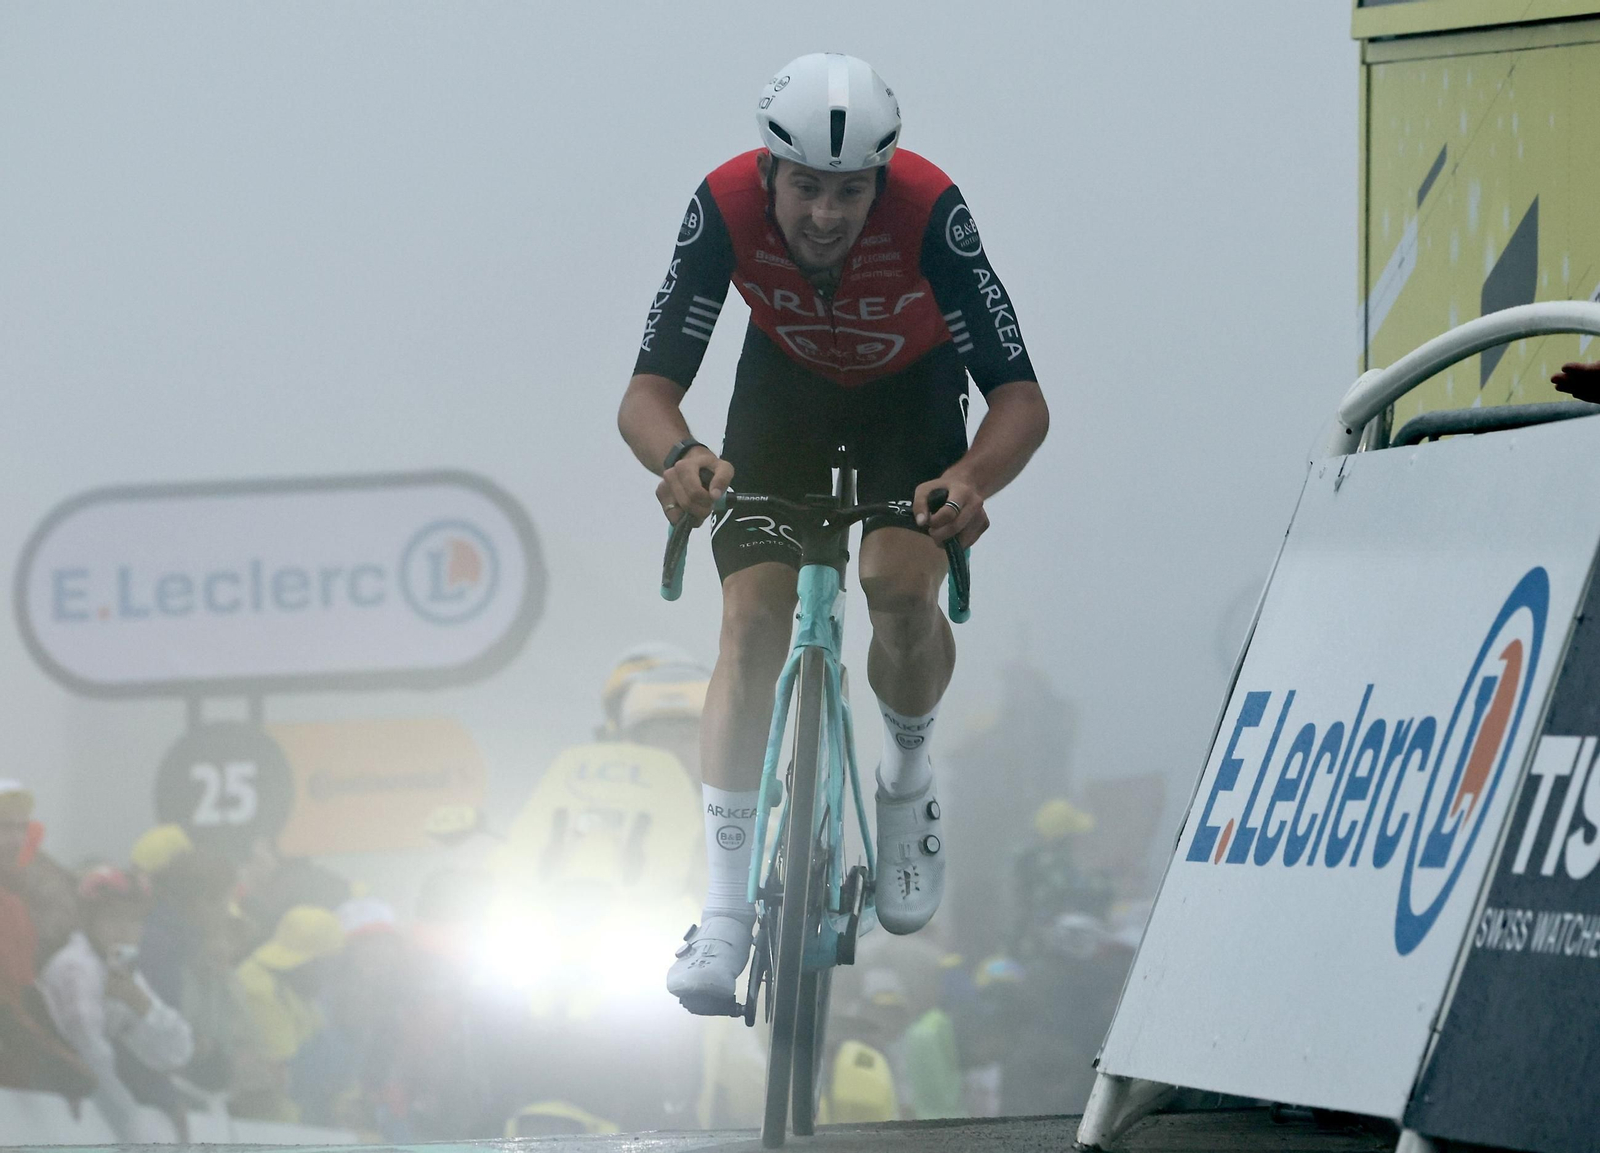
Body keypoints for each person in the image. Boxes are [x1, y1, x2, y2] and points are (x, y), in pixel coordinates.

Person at [617, 52, 1049, 1013]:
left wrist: (971, 480)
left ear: (880, 184)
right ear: (769, 172)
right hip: (785, 401)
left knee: (900, 587)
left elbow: (1020, 397)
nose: (824, 214)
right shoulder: (724, 206)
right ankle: (725, 912)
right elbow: (648, 392)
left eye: (849, 192)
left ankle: (904, 775)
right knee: (752, 624)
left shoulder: (932, 212)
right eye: (807, 187)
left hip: (912, 405)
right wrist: (680, 456)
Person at [37, 866, 194, 1142]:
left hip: (88, 1109)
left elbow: (175, 1054)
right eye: (114, 918)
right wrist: (131, 1124)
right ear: (86, 918)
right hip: (53, 1104)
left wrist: (142, 1004)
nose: (125, 930)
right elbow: (90, 1053)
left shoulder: (121, 969)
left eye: (135, 921)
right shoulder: (75, 968)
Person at [232, 903, 344, 1122]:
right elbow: (283, 1070)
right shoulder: (260, 987)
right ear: (316, 962)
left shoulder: (296, 989)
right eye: (329, 963)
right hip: (265, 1125)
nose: (332, 972)